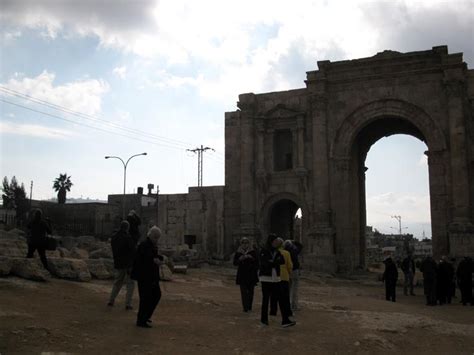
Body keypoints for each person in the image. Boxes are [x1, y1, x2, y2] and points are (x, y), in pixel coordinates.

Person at [258, 234, 295, 328]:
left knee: (281, 298)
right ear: (271, 241)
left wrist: (272, 262)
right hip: (266, 278)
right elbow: (264, 263)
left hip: (276, 278)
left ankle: (285, 320)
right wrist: (274, 262)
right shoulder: (264, 251)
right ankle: (264, 319)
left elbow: (281, 261)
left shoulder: (277, 251)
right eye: (275, 241)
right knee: (265, 300)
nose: (277, 242)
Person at [131, 226, 164, 328]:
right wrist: (154, 260)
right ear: (152, 236)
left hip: (151, 276)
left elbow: (152, 256)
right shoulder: (144, 245)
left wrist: (159, 258)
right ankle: (141, 320)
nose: (157, 240)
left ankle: (146, 316)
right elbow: (144, 260)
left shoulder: (151, 245)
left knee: (156, 295)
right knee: (145, 298)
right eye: (156, 237)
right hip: (145, 276)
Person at [108, 220, 136, 310]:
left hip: (118, 263)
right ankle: (128, 303)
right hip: (127, 264)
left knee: (117, 282)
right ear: (127, 228)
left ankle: (111, 300)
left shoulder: (114, 237)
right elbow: (132, 251)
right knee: (130, 284)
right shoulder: (127, 237)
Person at [233, 237, 259, 312]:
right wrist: (240, 259)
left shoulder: (253, 252)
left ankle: (249, 306)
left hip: (251, 274)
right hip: (242, 274)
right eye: (243, 243)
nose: (245, 244)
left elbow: (257, 263)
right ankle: (245, 307)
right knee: (244, 292)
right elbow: (234, 263)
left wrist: (251, 258)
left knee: (251, 292)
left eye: (246, 243)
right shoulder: (238, 252)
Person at [270, 238, 293, 317]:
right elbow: (289, 266)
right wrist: (290, 274)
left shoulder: (273, 253)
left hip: (275, 277)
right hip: (284, 277)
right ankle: (288, 312)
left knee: (274, 296)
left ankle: (273, 312)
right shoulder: (286, 253)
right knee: (285, 296)